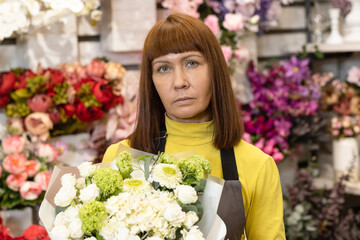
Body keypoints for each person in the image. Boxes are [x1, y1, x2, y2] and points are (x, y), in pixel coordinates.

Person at [102, 13, 285, 240]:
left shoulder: (257, 165)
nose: (179, 82)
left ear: (215, 70)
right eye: (163, 68)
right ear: (151, 81)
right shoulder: (123, 158)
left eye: (191, 63)